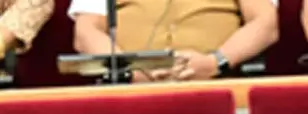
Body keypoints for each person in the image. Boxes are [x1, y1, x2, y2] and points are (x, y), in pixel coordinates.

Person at [68, 0, 277, 82]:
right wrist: (131, 70)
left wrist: (214, 63)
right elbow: (86, 32)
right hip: (129, 90)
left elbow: (265, 23)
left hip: (215, 84)